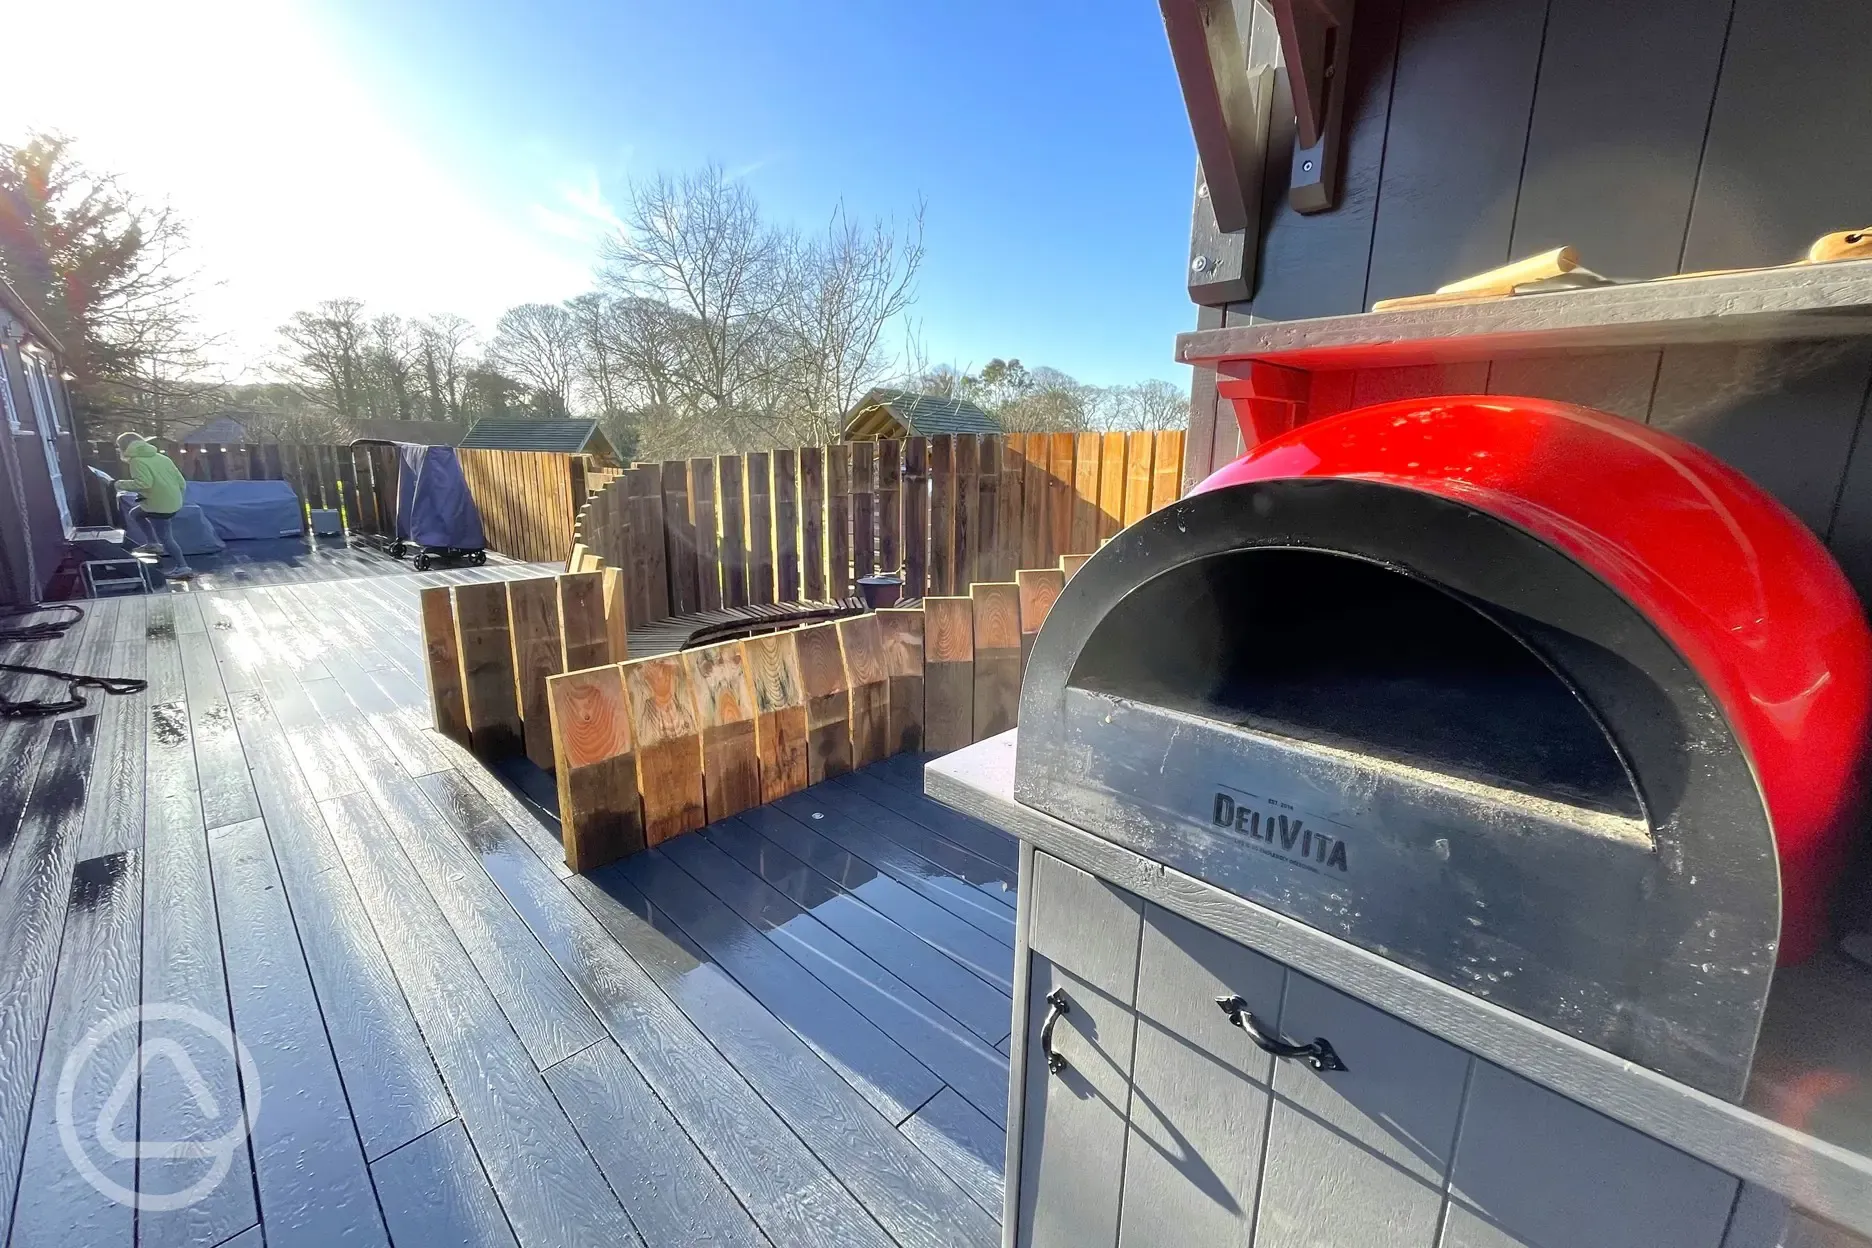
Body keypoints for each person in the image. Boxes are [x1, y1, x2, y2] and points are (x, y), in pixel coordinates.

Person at [114, 432, 194, 580]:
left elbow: (144, 483)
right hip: (172, 500)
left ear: (125, 447)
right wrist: (169, 496)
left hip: (159, 505)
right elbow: (181, 481)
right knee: (135, 513)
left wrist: (119, 484)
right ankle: (152, 543)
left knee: (166, 537)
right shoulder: (161, 457)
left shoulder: (136, 461)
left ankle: (183, 567)